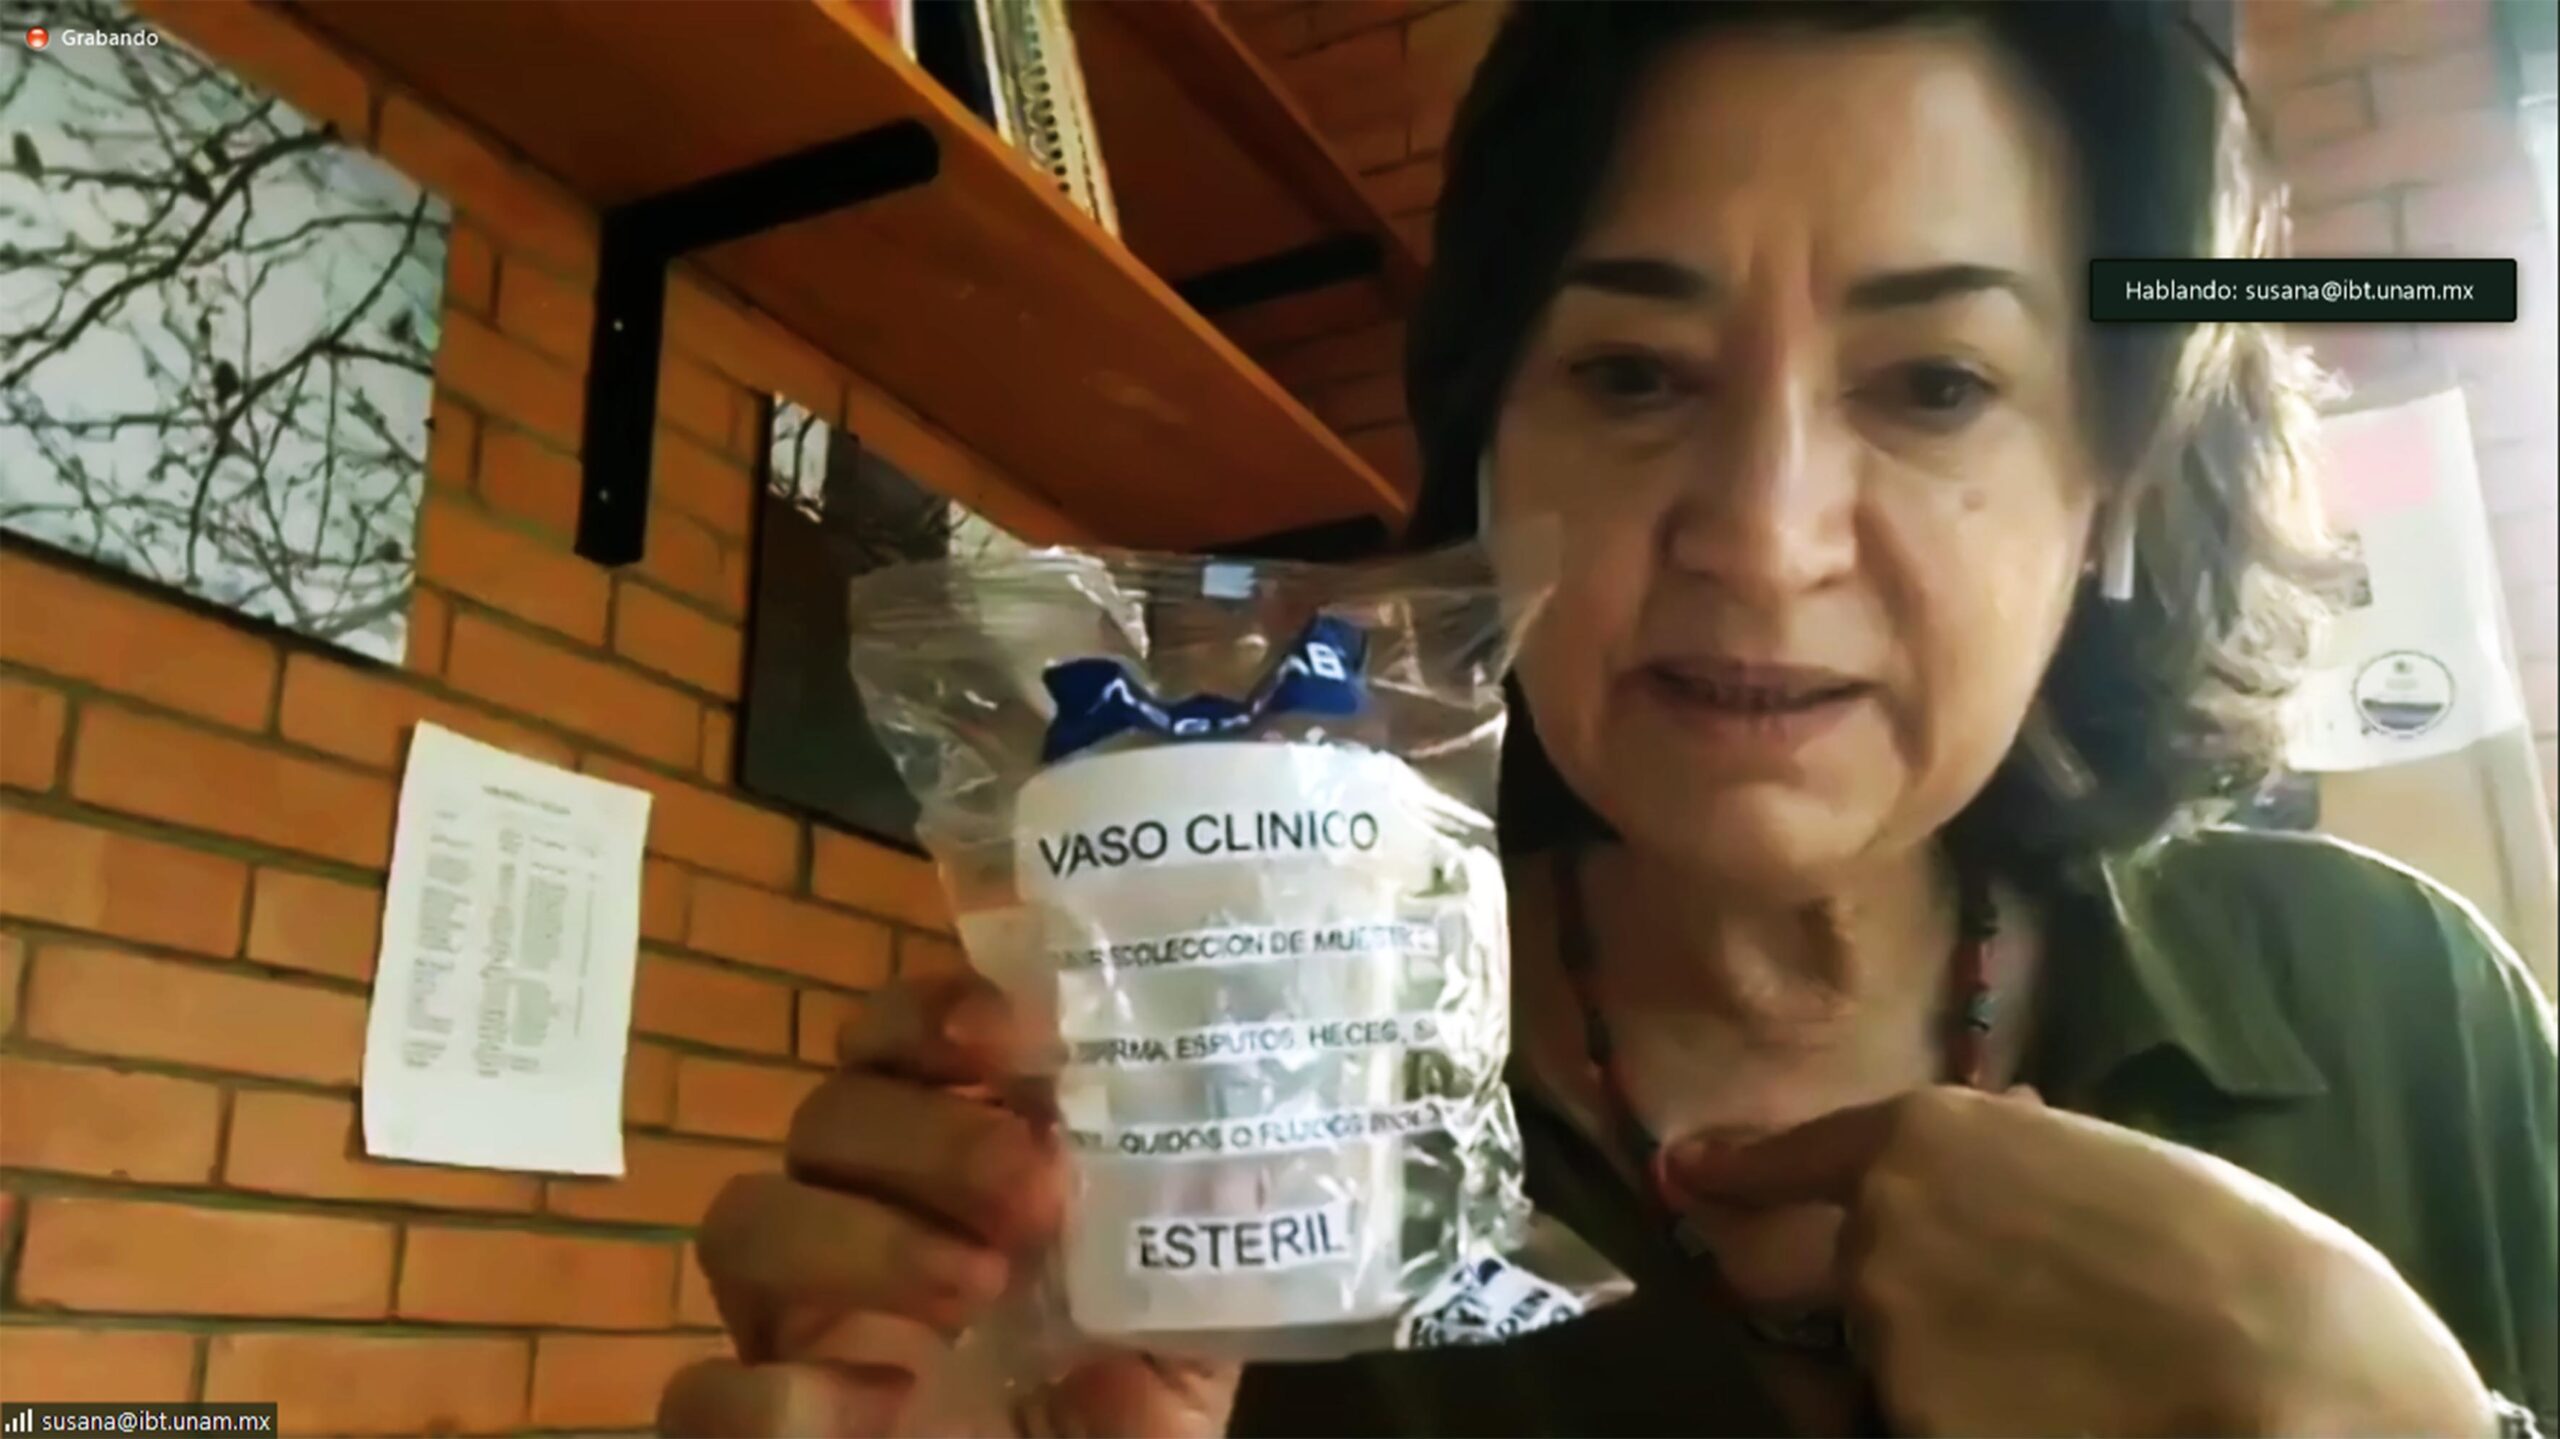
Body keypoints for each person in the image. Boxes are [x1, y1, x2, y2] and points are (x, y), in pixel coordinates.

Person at [660, 2, 2559, 1434]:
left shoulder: (2408, 1019)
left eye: (1935, 383)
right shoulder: (1217, 1162)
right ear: (1489, 463)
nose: (1763, 533)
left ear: (2113, 491)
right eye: (1635, 372)